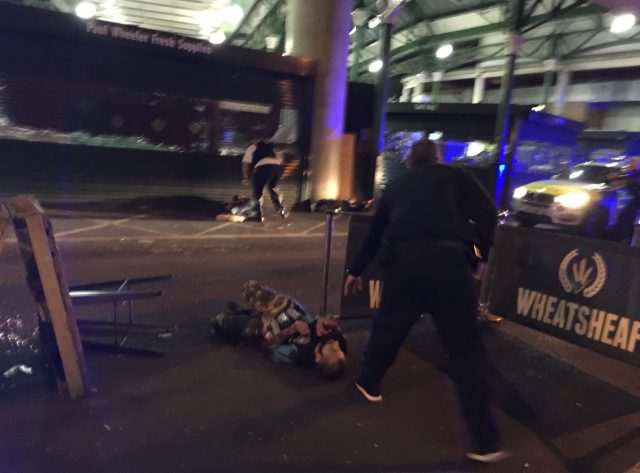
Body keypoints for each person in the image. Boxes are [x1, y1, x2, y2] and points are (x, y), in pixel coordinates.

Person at [343, 139, 506, 463]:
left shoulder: (397, 185)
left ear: (409, 163)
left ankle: (370, 382)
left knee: (389, 326)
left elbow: (374, 234)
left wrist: (355, 270)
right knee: (463, 349)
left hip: (405, 263)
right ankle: (485, 441)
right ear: (437, 158)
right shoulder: (457, 175)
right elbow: (489, 215)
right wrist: (477, 255)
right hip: (450, 263)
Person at [213, 280, 347, 381]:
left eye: (332, 349)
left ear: (318, 358)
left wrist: (291, 329)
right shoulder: (339, 342)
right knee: (250, 287)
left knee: (220, 320)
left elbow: (268, 348)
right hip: (287, 309)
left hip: (268, 326)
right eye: (339, 349)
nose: (335, 344)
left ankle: (246, 315)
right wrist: (321, 321)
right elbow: (335, 328)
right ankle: (249, 311)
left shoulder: (300, 353)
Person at [241, 136, 287, 221]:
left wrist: (245, 177)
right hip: (276, 167)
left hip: (263, 167)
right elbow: (281, 160)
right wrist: (281, 173)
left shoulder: (252, 147)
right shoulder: (272, 147)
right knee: (273, 189)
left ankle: (258, 214)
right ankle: (281, 210)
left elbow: (245, 163)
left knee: (258, 190)